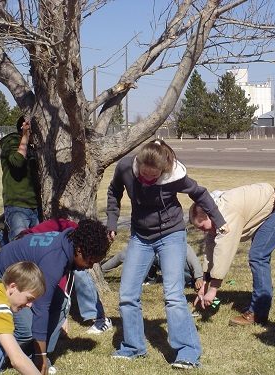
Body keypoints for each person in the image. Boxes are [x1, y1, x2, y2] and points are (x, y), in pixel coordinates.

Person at [106, 139, 227, 369]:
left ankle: (187, 351)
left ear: (164, 170)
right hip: (140, 237)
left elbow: (200, 193)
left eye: (153, 176)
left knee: (173, 295)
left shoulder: (175, 176)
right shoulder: (125, 167)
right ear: (138, 164)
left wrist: (219, 220)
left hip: (171, 235)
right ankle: (133, 347)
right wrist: (112, 220)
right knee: (128, 294)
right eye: (143, 174)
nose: (146, 180)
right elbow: (114, 191)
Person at [0, 218, 110, 374]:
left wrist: (42, 353)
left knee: (61, 303)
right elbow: (41, 310)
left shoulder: (67, 243)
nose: (90, 266)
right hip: (1, 279)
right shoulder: (54, 259)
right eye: (90, 261)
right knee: (26, 330)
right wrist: (41, 357)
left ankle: (35, 354)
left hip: (24, 280)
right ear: (80, 250)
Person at [190, 183, 275, 326]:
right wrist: (204, 285)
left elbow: (224, 252)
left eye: (202, 226)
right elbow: (210, 251)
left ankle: (258, 312)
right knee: (259, 255)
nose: (203, 231)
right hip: (272, 208)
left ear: (209, 215)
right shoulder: (215, 216)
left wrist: (213, 289)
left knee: (258, 256)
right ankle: (261, 303)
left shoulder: (226, 214)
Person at [18, 218, 113, 335]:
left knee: (79, 274)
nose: (90, 266)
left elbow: (60, 276)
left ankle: (97, 317)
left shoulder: (75, 242)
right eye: (91, 262)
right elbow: (55, 275)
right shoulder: (44, 249)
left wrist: (62, 313)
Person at [0, 116, 40, 244]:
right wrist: (25, 137)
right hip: (17, 205)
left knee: (34, 248)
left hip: (35, 207)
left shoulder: (33, 147)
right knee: (19, 248)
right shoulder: (12, 142)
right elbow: (17, 161)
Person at [101, 243, 205, 290]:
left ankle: (149, 278)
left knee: (154, 255)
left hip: (187, 276)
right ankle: (151, 278)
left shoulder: (177, 242)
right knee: (145, 253)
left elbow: (192, 258)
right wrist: (100, 270)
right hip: (169, 270)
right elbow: (121, 256)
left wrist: (199, 277)